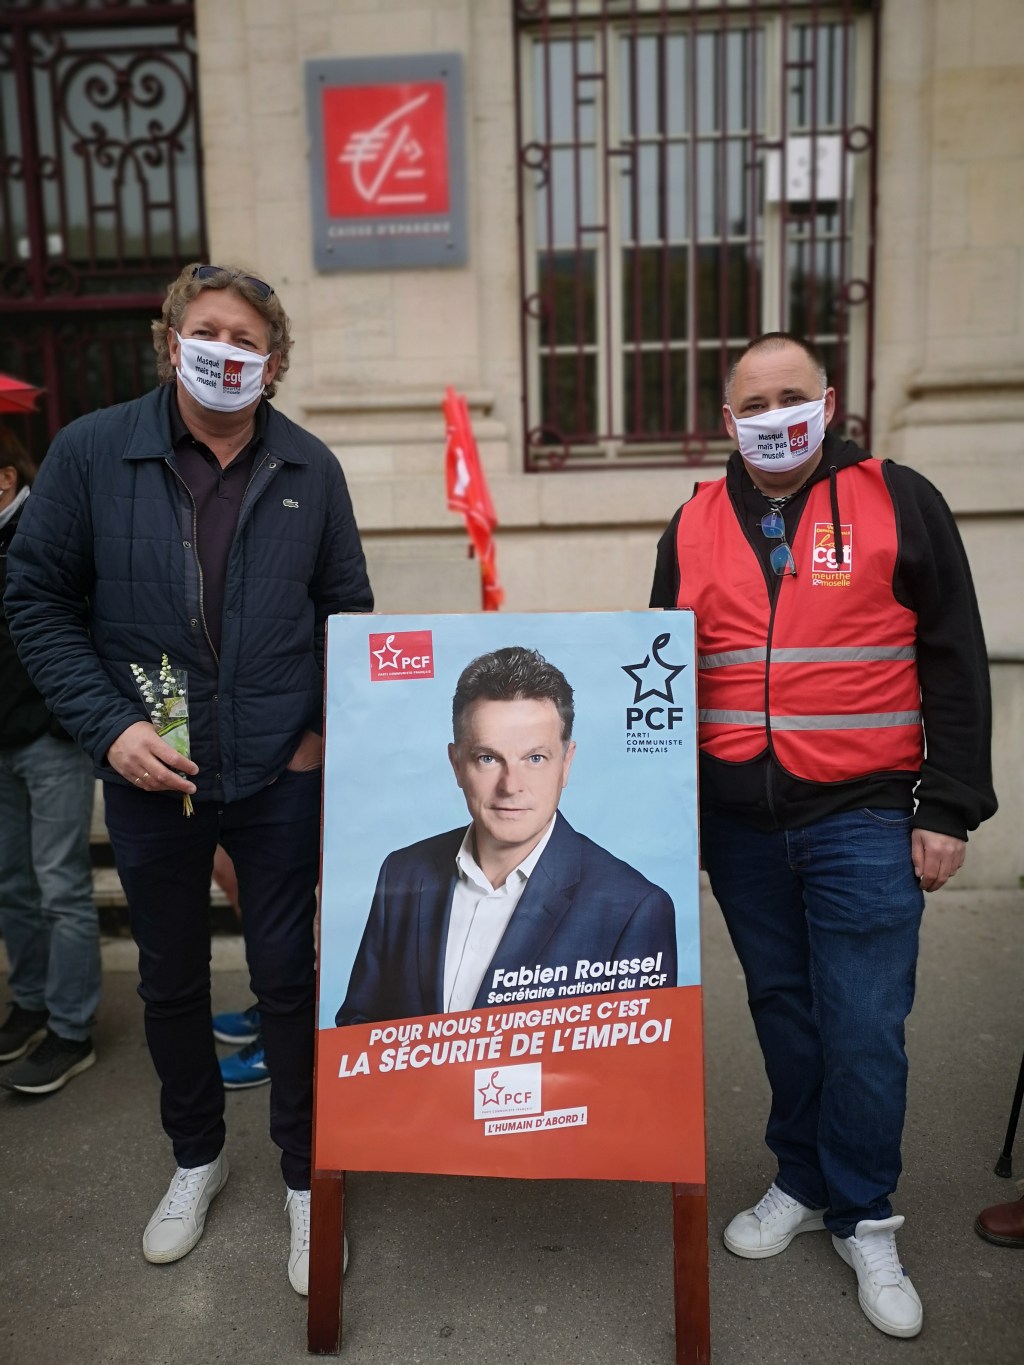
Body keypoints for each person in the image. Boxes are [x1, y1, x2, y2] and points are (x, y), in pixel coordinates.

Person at [4, 263, 372, 1294]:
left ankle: (308, 1176)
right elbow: (36, 600)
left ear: (275, 361)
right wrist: (106, 725)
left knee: (289, 977)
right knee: (169, 979)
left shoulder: (310, 466)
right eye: (205, 330)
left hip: (279, 776)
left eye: (246, 338)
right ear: (169, 341)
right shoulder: (91, 453)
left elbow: (348, 612)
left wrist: (319, 737)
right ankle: (197, 1156)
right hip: (148, 768)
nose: (225, 350)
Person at [650, 332, 996, 1340]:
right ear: (726, 420)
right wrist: (670, 818)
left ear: (828, 400)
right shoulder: (695, 519)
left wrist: (948, 805)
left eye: (790, 396)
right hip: (740, 825)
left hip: (864, 817)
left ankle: (864, 1213)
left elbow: (954, 656)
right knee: (785, 1010)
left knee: (861, 1023)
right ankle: (799, 1178)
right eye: (751, 403)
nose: (772, 416)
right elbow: (661, 676)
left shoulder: (899, 497)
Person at [337, 645, 677, 1026]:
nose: (511, 786)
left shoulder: (634, 907)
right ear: (457, 765)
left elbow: (637, 1073)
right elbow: (359, 1029)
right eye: (488, 758)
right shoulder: (402, 872)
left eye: (535, 758)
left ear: (566, 765)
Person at [0, 427, 100, 1095]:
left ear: (6, 476)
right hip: (4, 740)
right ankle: (30, 1004)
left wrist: (72, 720)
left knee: (61, 884)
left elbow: (75, 623)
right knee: (13, 883)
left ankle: (71, 1027)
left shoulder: (46, 523)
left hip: (50, 738)